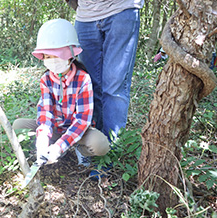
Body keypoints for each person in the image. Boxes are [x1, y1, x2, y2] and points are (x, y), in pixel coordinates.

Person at [13, 19, 110, 167]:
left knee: (100, 144)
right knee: (17, 126)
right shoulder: (46, 79)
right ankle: (45, 151)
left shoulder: (83, 79)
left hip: (79, 132)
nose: (52, 61)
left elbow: (83, 120)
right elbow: (46, 114)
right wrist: (42, 141)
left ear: (70, 55)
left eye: (57, 55)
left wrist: (60, 146)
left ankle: (81, 150)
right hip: (55, 128)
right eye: (48, 56)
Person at [74, 1, 144, 141]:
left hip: (121, 10)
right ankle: (92, 144)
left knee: (114, 85)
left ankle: (112, 149)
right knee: (88, 85)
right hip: (85, 15)